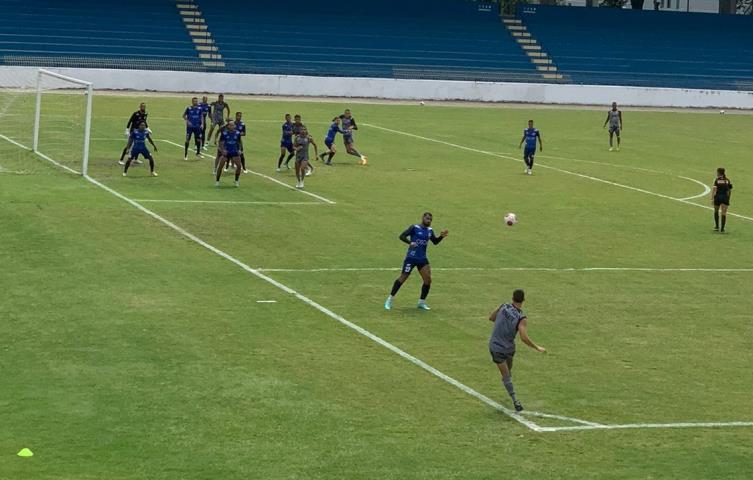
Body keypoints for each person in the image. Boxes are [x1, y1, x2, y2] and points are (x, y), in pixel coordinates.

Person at [488, 289, 546, 412]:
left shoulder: (504, 306)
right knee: (507, 375)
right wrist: (537, 347)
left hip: (498, 346)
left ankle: (506, 380)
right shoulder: (521, 317)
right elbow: (524, 338)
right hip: (504, 348)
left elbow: (491, 318)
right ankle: (516, 401)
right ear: (523, 300)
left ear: (512, 298)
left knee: (507, 373)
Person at [384, 212, 448, 311]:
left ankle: (421, 302)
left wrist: (441, 236)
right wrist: (410, 243)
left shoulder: (430, 231)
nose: (429, 221)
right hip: (411, 258)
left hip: (422, 259)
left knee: (428, 280)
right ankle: (389, 299)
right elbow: (402, 236)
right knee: (403, 277)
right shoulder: (414, 228)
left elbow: (435, 242)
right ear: (423, 218)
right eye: (427, 218)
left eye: (430, 219)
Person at [215, 120, 242, 187]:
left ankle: (236, 181)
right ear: (228, 126)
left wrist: (239, 149)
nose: (233, 126)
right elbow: (220, 143)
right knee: (220, 167)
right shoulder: (224, 133)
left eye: (233, 125)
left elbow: (239, 142)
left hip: (234, 151)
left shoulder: (237, 133)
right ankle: (217, 181)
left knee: (239, 166)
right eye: (231, 125)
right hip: (226, 152)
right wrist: (222, 150)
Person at [711, 167, 733, 233]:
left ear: (719, 173)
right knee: (723, 213)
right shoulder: (728, 180)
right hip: (725, 198)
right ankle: (722, 229)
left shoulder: (717, 180)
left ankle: (717, 227)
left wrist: (712, 198)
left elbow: (714, 189)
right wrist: (728, 198)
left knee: (716, 211)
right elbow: (729, 190)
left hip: (717, 197)